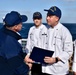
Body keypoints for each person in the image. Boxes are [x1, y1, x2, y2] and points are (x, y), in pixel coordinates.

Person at [40, 6, 73, 75]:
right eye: (47, 16)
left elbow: (68, 51)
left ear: (57, 18)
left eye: (50, 16)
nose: (47, 18)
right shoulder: (43, 29)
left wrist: (55, 59)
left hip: (59, 70)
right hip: (45, 69)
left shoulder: (64, 31)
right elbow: (39, 45)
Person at [0, 11, 29, 75]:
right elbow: (18, 67)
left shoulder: (2, 34)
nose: (22, 24)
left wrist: (23, 56)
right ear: (16, 26)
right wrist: (28, 67)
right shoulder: (11, 43)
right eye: (21, 23)